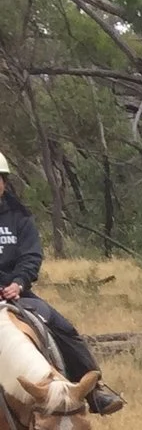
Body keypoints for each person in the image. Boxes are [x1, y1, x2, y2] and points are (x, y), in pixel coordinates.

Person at [0, 154, 127, 414]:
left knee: (63, 328)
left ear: (4, 183)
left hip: (17, 295)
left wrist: (19, 282)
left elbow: (31, 255)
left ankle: (93, 392)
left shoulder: (20, 217)